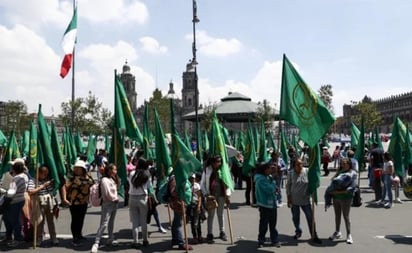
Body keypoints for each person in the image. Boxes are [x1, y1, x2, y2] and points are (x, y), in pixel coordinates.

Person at [286, 159, 322, 244]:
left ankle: (314, 234)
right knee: (295, 217)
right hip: (294, 200)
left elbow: (314, 177)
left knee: (310, 218)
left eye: (301, 164)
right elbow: (288, 186)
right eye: (298, 164)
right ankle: (298, 231)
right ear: (294, 165)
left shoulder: (307, 171)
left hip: (305, 200)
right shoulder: (290, 173)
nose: (300, 166)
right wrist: (288, 199)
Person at [62, 159, 94, 247]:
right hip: (74, 202)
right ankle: (75, 237)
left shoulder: (87, 176)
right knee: (75, 219)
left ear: (83, 169)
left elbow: (93, 184)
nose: (76, 170)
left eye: (78, 168)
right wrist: (64, 198)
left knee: (81, 219)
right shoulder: (71, 178)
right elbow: (64, 187)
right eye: (75, 168)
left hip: (84, 201)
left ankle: (79, 234)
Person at [200, 155, 231, 244]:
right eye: (217, 161)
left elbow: (227, 182)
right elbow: (202, 183)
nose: (219, 163)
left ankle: (222, 232)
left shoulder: (224, 170)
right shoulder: (207, 170)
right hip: (211, 196)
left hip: (221, 195)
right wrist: (206, 194)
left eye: (220, 161)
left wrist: (228, 195)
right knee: (211, 215)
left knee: (220, 214)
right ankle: (210, 234)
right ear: (213, 162)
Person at [90, 163, 120, 253]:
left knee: (111, 222)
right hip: (107, 204)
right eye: (114, 169)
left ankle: (110, 238)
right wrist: (115, 198)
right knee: (104, 223)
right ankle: (96, 242)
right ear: (109, 170)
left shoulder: (112, 179)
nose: (116, 171)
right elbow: (106, 193)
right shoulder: (104, 180)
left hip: (114, 204)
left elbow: (116, 189)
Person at [328, 157, 357, 244]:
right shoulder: (340, 172)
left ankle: (349, 234)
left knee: (346, 216)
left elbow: (353, 186)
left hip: (346, 197)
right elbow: (332, 181)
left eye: (345, 163)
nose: (343, 165)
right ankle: (337, 232)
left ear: (349, 164)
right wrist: (336, 174)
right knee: (337, 215)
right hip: (336, 197)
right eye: (342, 163)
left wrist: (339, 191)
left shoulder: (353, 173)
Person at [27, 165, 58, 247]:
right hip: (39, 202)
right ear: (38, 173)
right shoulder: (33, 181)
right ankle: (38, 239)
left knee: (50, 221)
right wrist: (43, 186)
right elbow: (30, 192)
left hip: (48, 202)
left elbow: (52, 192)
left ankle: (53, 238)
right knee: (39, 222)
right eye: (43, 174)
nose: (45, 175)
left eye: (46, 174)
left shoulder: (48, 180)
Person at [2, 158, 29, 247]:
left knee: (14, 220)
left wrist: (2, 190)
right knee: (7, 218)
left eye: (12, 166)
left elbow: (11, 192)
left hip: (13, 201)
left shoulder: (17, 178)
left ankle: (18, 239)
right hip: (18, 199)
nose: (11, 168)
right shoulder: (24, 175)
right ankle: (9, 236)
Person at [254, 162, 280, 248]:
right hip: (265, 205)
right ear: (264, 170)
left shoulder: (268, 177)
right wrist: (273, 185)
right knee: (264, 224)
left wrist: (275, 185)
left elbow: (274, 187)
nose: (270, 170)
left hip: (272, 204)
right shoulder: (260, 179)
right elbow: (269, 189)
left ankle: (274, 240)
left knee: (273, 224)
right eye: (269, 168)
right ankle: (261, 240)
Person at [128, 157, 152, 248]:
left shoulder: (132, 174)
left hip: (132, 198)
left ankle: (135, 241)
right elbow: (149, 186)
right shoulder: (147, 175)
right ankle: (145, 240)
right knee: (143, 221)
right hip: (143, 198)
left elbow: (129, 183)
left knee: (134, 222)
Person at [168, 175, 193, 250]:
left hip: (180, 202)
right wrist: (180, 191)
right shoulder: (174, 179)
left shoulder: (180, 178)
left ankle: (175, 240)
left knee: (176, 221)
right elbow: (173, 192)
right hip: (178, 203)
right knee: (178, 223)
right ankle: (181, 243)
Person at [188, 173, 203, 244]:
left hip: (196, 205)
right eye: (190, 178)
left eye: (193, 178)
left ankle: (199, 235)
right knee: (192, 222)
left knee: (197, 222)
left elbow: (199, 197)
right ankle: (195, 236)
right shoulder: (187, 186)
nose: (192, 180)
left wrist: (199, 206)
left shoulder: (197, 186)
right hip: (189, 206)